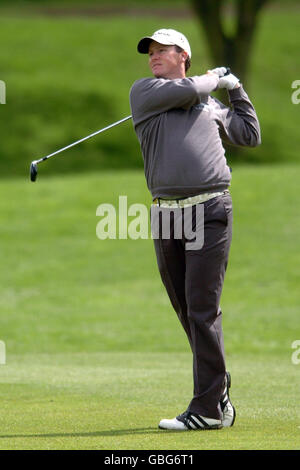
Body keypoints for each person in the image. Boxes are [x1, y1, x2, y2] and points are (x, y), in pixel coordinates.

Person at [129, 29, 261, 431]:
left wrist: (235, 89)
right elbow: (193, 87)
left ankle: (206, 408)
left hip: (209, 210)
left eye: (162, 50)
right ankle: (216, 389)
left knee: (202, 308)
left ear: (182, 55)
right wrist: (215, 80)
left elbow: (250, 134)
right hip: (167, 214)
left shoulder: (208, 105)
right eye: (149, 52)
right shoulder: (145, 93)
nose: (153, 56)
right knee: (187, 310)